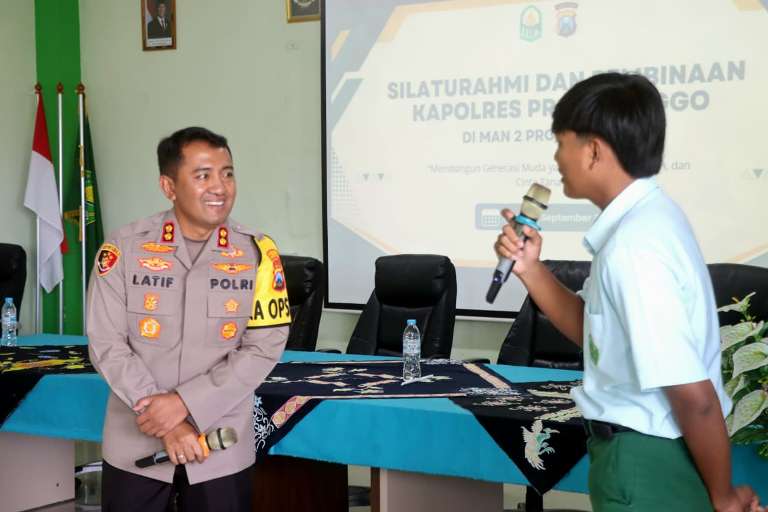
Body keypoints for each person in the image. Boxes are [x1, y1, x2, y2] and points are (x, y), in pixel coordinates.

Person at [494, 73, 765, 512]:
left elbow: (693, 397)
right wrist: (530, 270)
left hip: (648, 464)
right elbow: (595, 333)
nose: (557, 158)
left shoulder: (634, 248)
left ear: (594, 150)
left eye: (561, 142)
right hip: (650, 456)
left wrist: (724, 496)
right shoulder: (647, 221)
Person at [87, 126, 290, 511]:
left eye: (227, 173)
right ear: (169, 186)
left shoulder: (258, 253)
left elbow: (264, 347)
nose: (220, 187)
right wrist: (169, 422)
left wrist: (185, 404)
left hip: (220, 447)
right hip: (136, 446)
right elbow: (106, 343)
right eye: (203, 175)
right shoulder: (125, 248)